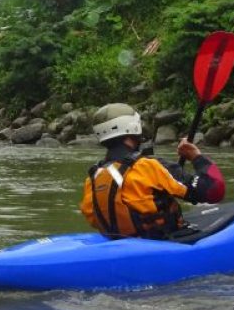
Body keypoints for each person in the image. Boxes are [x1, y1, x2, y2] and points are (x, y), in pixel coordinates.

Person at [79, 103, 225, 240]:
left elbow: (93, 217)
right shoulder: (149, 166)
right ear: (134, 128)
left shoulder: (93, 177)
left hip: (120, 244)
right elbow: (214, 190)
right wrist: (196, 157)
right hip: (162, 242)